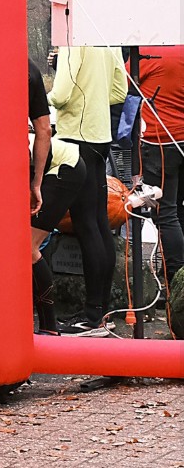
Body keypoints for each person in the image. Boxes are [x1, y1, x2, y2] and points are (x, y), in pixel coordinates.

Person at [49, 46, 127, 335]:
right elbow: (120, 90)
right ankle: (101, 312)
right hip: (100, 137)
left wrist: (39, 100)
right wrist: (93, 100)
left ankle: (92, 318)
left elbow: (60, 94)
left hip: (74, 138)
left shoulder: (73, 41)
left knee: (86, 225)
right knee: (98, 223)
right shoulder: (108, 38)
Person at [28, 59, 85, 335]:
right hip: (53, 165)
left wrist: (36, 183)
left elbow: (44, 130)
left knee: (26, 248)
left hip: (64, 168)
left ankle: (49, 326)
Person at [136, 45, 183, 283]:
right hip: (179, 141)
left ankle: (176, 279)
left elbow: (121, 82)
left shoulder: (151, 52)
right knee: (177, 209)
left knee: (164, 212)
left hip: (161, 143)